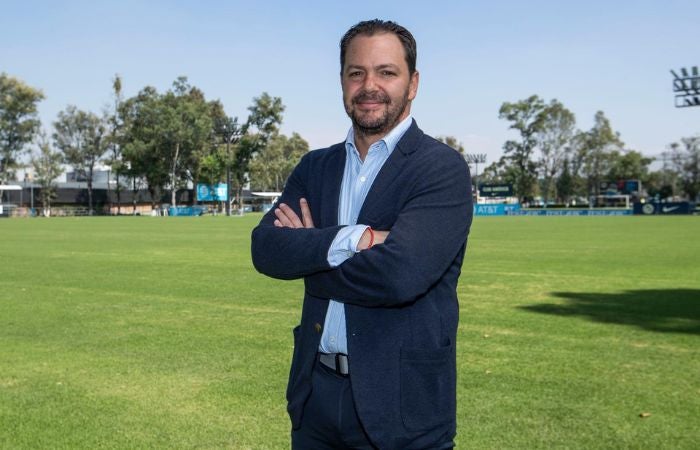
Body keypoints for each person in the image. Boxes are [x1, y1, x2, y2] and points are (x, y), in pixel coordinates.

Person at [251, 19, 473, 449]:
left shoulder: (440, 168)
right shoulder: (316, 167)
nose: (369, 85)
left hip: (403, 410)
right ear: (342, 81)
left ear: (413, 84)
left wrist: (310, 254)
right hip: (315, 397)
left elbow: (400, 274)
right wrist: (357, 240)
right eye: (357, 73)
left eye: (387, 72)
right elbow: (266, 249)